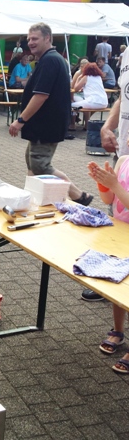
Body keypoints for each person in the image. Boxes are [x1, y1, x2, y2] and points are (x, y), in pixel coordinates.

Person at [8, 22, 93, 207]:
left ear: (48, 38)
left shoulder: (50, 60)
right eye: (29, 39)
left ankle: (79, 195)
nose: (30, 42)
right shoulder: (49, 59)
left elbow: (41, 95)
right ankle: (31, 199)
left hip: (46, 124)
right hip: (43, 124)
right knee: (32, 162)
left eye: (35, 38)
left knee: (40, 165)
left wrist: (20, 120)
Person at [80, 45, 129, 303]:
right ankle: (114, 276)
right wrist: (108, 126)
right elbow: (123, 96)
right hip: (124, 154)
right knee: (117, 217)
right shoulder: (127, 54)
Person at [87, 156, 129, 373]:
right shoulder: (123, 161)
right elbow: (108, 200)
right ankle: (118, 331)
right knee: (117, 283)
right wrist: (103, 183)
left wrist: (114, 184)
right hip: (120, 235)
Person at [72, 61, 108, 128]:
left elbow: (76, 88)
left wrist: (78, 78)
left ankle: (72, 123)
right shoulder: (98, 77)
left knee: (71, 105)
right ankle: (85, 124)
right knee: (79, 106)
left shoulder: (86, 77)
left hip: (93, 102)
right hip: (104, 103)